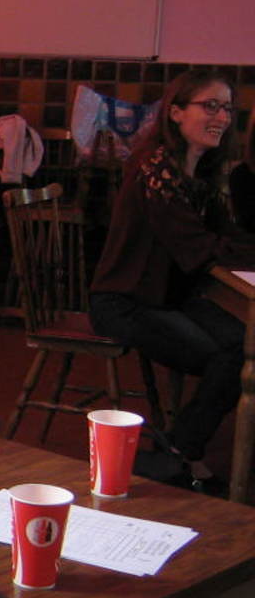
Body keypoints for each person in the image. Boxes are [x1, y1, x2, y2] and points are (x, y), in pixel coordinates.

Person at [89, 69, 255, 494]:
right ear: (176, 112)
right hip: (126, 301)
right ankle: (181, 453)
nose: (222, 117)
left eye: (227, 109)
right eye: (210, 106)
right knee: (232, 358)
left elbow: (225, 237)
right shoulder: (155, 168)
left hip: (170, 298)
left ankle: (178, 448)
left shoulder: (201, 172)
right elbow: (196, 248)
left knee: (246, 344)